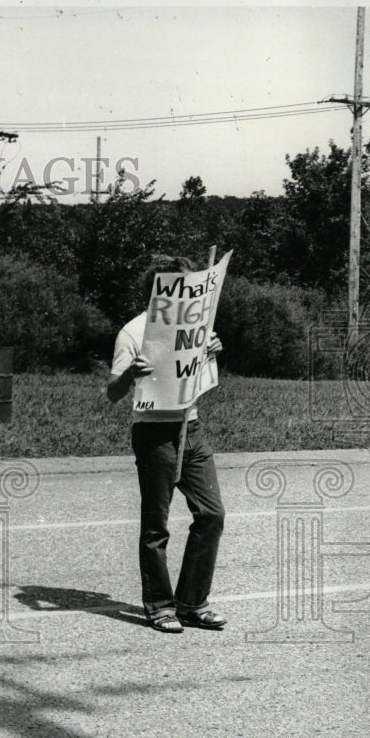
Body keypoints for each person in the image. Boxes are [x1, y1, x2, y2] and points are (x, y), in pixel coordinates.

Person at [107, 255, 227, 633]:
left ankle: (192, 602)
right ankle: (159, 605)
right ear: (159, 291)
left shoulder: (197, 326)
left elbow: (199, 377)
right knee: (156, 525)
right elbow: (113, 392)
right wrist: (129, 373)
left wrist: (213, 351)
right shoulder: (134, 332)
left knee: (211, 514)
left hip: (191, 429)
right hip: (155, 434)